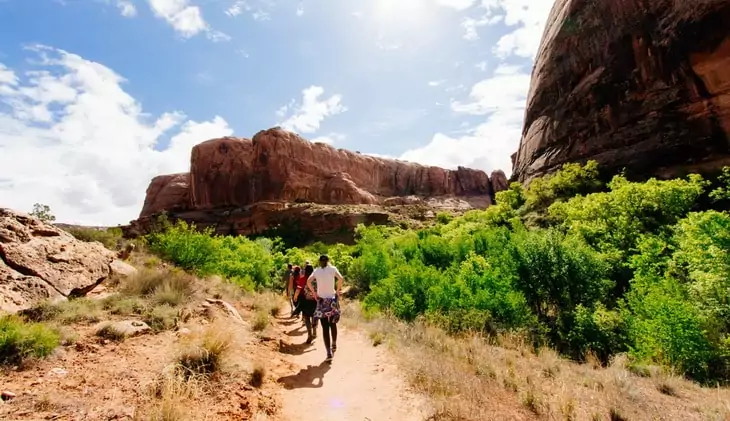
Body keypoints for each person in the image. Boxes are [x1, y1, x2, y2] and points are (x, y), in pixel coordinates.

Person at [306, 254, 344, 362]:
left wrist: (314, 293)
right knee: (333, 323)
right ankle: (334, 343)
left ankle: (328, 352)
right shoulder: (332, 269)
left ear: (319, 262)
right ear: (328, 261)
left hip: (322, 301)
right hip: (332, 300)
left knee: (325, 327)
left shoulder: (316, 271)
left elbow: (308, 282)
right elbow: (341, 279)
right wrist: (337, 290)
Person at [298, 263, 318, 344]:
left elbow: (298, 289)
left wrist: (295, 297)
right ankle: (314, 331)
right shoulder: (316, 279)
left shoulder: (303, 279)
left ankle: (309, 333)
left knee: (306, 317)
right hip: (315, 301)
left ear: (305, 270)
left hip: (306, 301)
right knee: (315, 316)